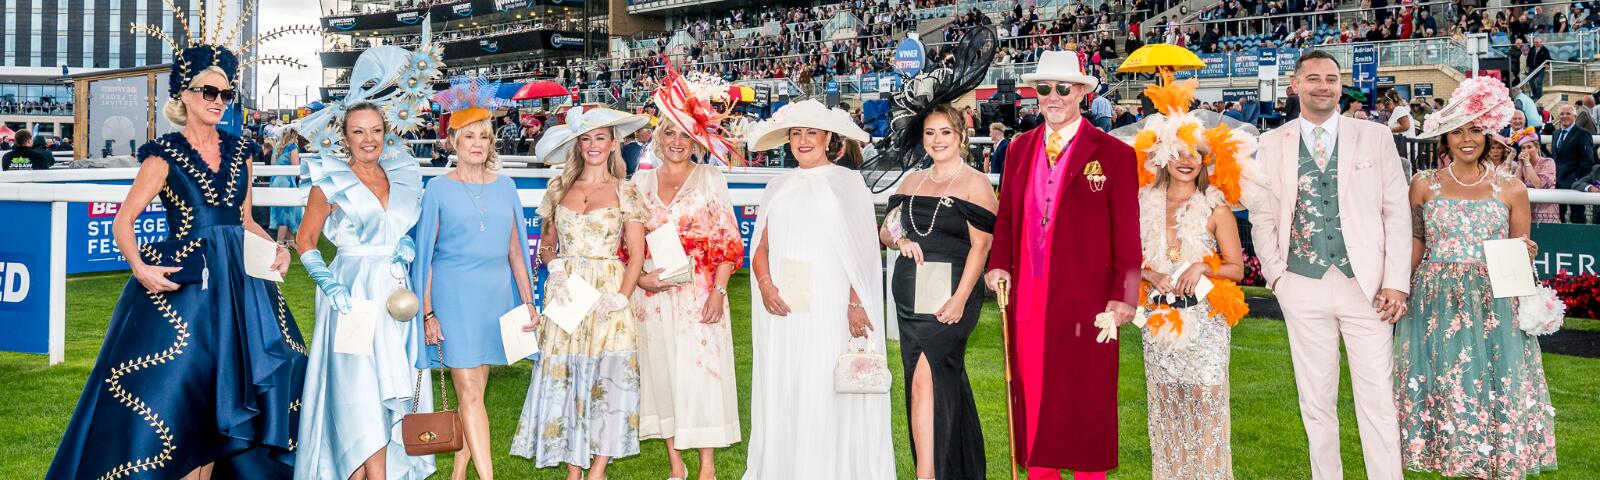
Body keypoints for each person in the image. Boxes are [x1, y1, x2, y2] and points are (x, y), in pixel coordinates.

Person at [47, 31, 307, 478]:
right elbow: (123, 221)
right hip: (186, 289)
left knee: (254, 381)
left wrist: (277, 248)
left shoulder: (243, 151)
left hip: (243, 289)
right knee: (181, 398)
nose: (219, 100)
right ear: (184, 97)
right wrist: (141, 269)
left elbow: (245, 219)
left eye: (226, 93)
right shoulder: (162, 155)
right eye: (209, 91)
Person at [1242, 50, 1410, 480]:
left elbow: (1396, 211)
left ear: (1341, 85)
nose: (1324, 86)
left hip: (1367, 286)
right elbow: (1261, 215)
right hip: (1302, 281)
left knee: (1376, 397)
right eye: (1313, 78)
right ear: (1294, 85)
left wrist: (1396, 282)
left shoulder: (1374, 136)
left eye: (1332, 78)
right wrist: (1278, 275)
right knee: (1315, 401)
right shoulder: (1270, 142)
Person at [287, 36, 443, 480]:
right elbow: (306, 240)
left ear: (386, 133)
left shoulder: (403, 175)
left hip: (396, 295)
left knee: (391, 383)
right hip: (352, 297)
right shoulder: (328, 180)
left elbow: (400, 229)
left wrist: (403, 244)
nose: (368, 139)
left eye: (375, 131)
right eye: (358, 132)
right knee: (354, 387)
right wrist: (328, 283)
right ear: (345, 136)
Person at [983, 50, 1140, 480]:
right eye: (1044, 88)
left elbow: (1128, 234)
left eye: (1062, 88)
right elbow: (1008, 218)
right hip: (1028, 295)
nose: (1053, 97)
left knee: (1086, 400)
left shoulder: (1114, 154)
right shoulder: (1018, 149)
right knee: (1033, 392)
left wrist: (1125, 296)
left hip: (1088, 301)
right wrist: (999, 264)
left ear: (1082, 93)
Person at [1400, 77, 1557, 479]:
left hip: (1493, 301)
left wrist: (1526, 252)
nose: (1466, 139)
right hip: (1435, 299)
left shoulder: (1511, 188)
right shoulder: (1422, 184)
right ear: (1445, 138)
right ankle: (1456, 460)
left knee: (1494, 382)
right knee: (1447, 381)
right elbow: (1416, 239)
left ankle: (1494, 463)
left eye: (1475, 130)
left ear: (1488, 135)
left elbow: (1521, 245)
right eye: (1457, 131)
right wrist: (1401, 287)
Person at [742, 99, 896, 479]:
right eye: (796, 133)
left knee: (823, 386)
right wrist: (764, 286)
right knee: (788, 384)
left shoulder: (847, 183)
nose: (803, 140)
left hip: (830, 304)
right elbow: (759, 247)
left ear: (828, 137)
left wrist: (856, 303)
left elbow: (862, 250)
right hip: (783, 305)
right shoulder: (777, 185)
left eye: (812, 132)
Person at [878, 31, 998, 478]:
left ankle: (927, 474)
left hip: (951, 299)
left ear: (961, 135)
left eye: (945, 132)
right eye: (930, 133)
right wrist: (899, 238)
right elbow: (885, 229)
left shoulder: (975, 184)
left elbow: (981, 248)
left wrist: (960, 299)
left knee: (930, 375)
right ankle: (958, 466)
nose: (936, 139)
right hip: (910, 299)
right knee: (925, 380)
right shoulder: (912, 182)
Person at [512, 106, 650, 480]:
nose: (592, 145)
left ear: (612, 143)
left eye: (599, 138)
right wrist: (554, 268)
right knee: (567, 376)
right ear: (576, 145)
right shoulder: (559, 188)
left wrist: (621, 296)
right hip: (569, 293)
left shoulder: (627, 190)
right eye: (585, 139)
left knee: (608, 379)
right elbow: (546, 245)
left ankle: (597, 470)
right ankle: (575, 468)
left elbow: (637, 253)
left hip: (608, 290)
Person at [1128, 79, 1255, 478]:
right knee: (1164, 406)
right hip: (1157, 319)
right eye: (1178, 153)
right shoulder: (1139, 204)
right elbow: (1125, 264)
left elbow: (1238, 268)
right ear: (1161, 157)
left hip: (1206, 323)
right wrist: (1147, 272)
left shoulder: (1217, 207)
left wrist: (1204, 266)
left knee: (1206, 403)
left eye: (1196, 154)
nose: (1187, 161)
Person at [412, 76, 535, 480]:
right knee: (468, 390)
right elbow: (424, 256)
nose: (477, 143)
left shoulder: (507, 187)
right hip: (453, 300)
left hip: (495, 299)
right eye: (468, 137)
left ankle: (458, 474)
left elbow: (517, 252)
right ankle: (488, 475)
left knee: (475, 393)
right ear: (453, 141)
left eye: (483, 135)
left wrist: (529, 303)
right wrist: (428, 313)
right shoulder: (436, 190)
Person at [630, 69, 747, 480]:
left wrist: (718, 291)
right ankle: (675, 466)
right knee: (661, 374)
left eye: (684, 134)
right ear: (658, 138)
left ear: (695, 138)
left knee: (701, 375)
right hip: (653, 296)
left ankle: (707, 468)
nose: (676, 142)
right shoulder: (640, 182)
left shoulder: (710, 178)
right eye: (669, 134)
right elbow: (627, 244)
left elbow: (729, 242)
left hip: (699, 294)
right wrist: (640, 280)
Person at [1551, 104, 1596, 223]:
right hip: (1557, 182)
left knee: (1577, 215)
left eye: (1568, 114)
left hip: (1574, 182)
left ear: (1574, 116)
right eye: (1562, 114)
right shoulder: (1555, 134)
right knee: (1558, 215)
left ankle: (1581, 240)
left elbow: (1588, 159)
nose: (1564, 116)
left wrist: (1577, 179)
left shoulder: (1582, 133)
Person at [269, 129, 306, 244]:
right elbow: (295, 167)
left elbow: (272, 164)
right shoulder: (292, 148)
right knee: (287, 211)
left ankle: (290, 241)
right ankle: (279, 243)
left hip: (275, 180)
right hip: (286, 180)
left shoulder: (276, 147)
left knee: (282, 210)